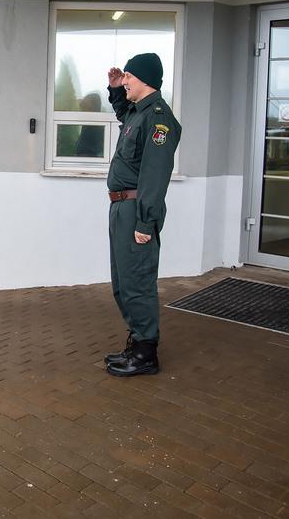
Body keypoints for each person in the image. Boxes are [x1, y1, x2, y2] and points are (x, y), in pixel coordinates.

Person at [103, 53, 181, 377]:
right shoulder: (138, 114)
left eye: (129, 77)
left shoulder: (159, 120)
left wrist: (145, 222)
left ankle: (146, 353)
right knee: (123, 283)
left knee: (138, 282)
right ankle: (136, 344)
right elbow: (124, 113)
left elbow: (154, 175)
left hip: (136, 209)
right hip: (121, 208)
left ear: (145, 79)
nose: (125, 82)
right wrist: (114, 91)